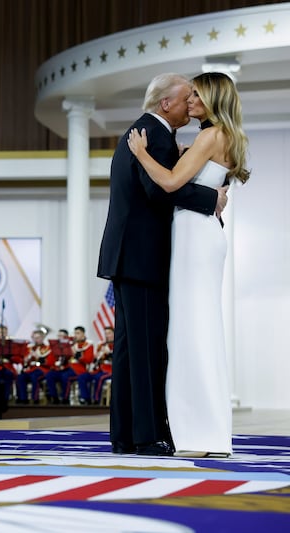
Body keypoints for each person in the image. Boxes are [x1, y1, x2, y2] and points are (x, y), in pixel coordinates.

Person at [97, 73, 228, 457]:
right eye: (186, 97)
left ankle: (125, 435)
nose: (190, 103)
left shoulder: (151, 133)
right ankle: (148, 436)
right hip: (141, 259)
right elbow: (159, 188)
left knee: (128, 351)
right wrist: (211, 198)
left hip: (131, 257)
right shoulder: (149, 135)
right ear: (165, 104)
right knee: (146, 350)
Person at [127, 72, 249, 457]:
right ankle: (204, 430)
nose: (191, 100)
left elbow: (169, 183)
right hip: (203, 234)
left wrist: (142, 153)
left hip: (196, 239)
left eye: (197, 94)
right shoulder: (221, 137)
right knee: (198, 329)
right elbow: (199, 179)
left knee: (190, 332)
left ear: (213, 98)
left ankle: (198, 432)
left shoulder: (209, 136)